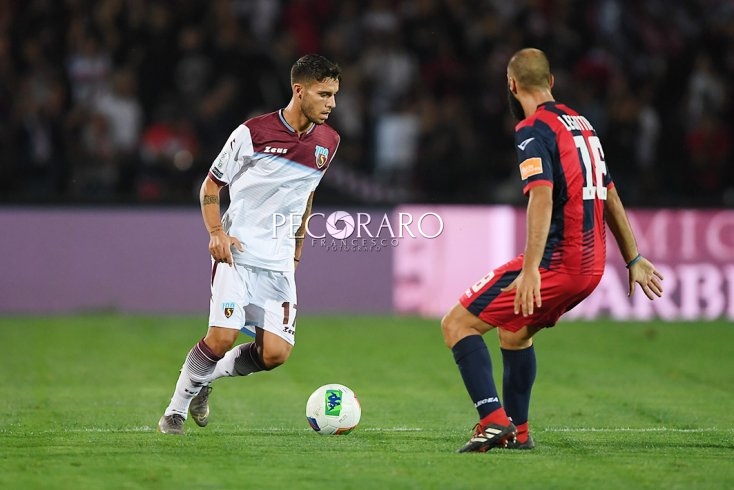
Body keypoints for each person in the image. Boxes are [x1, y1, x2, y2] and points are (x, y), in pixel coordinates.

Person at [441, 48, 664, 453]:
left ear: (511, 85)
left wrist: (530, 270)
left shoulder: (532, 129)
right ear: (552, 82)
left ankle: (492, 421)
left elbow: (540, 197)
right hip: (592, 266)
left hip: (558, 262)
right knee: (514, 332)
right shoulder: (582, 125)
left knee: (457, 324)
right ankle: (519, 433)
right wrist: (632, 257)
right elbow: (609, 191)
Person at [158, 54, 341, 434]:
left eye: (334, 95)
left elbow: (307, 193)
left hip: (277, 262)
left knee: (275, 355)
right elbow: (211, 186)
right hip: (237, 254)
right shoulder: (252, 133)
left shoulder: (329, 141)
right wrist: (216, 234)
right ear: (298, 90)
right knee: (221, 337)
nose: (332, 104)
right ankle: (175, 411)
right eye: (324, 94)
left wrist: (298, 243)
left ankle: (205, 379)